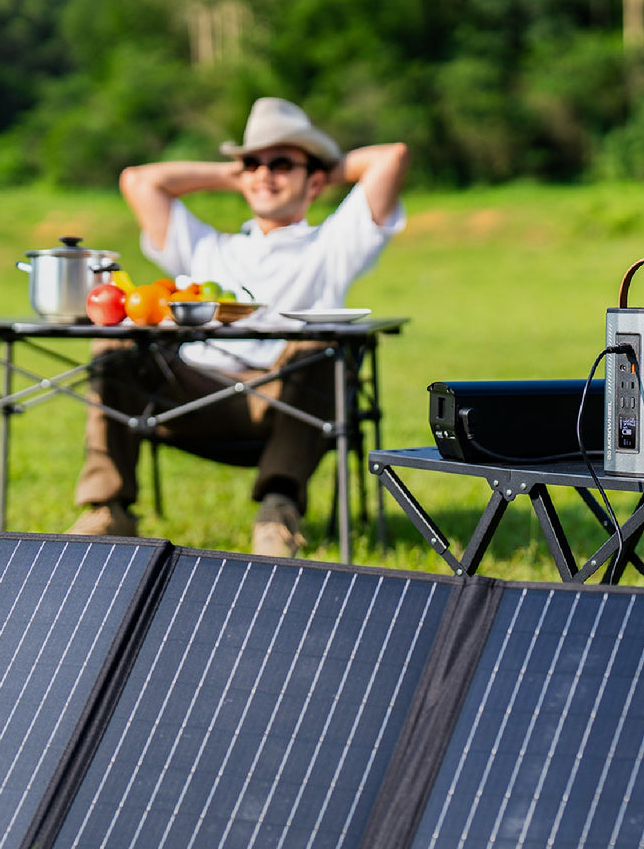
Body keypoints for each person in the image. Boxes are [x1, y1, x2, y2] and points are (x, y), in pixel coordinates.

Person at [68, 97, 409, 556]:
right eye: (253, 162)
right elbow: (139, 181)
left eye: (281, 163)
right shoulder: (208, 247)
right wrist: (240, 175)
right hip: (195, 395)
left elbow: (391, 158)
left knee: (324, 343)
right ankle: (109, 509)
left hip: (287, 401)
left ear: (315, 180)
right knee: (118, 345)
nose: (264, 173)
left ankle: (279, 509)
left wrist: (316, 170)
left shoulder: (331, 243)